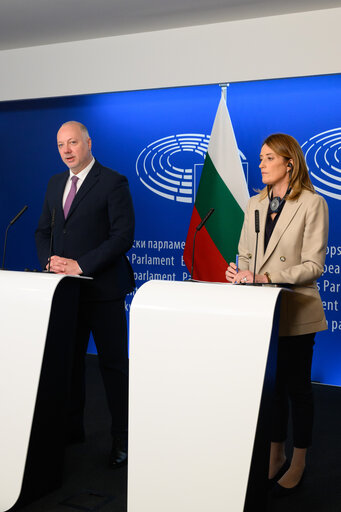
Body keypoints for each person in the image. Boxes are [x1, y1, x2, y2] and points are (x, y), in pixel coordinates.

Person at [225, 133, 328, 496]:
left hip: (296, 311)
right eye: (260, 157)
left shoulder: (313, 203)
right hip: (260, 315)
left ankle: (299, 458)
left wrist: (266, 277)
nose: (261, 163)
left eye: (269, 158)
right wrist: (239, 273)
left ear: (289, 162)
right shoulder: (254, 204)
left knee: (296, 388)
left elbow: (314, 265)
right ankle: (274, 451)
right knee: (270, 390)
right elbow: (246, 255)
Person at [35, 121, 135, 468]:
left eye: (73, 142)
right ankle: (71, 428)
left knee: (112, 366)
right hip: (65, 293)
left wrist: (80, 264)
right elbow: (44, 230)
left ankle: (123, 439)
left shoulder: (113, 182)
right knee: (69, 364)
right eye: (61, 143)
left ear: (88, 143)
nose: (66, 149)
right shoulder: (54, 183)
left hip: (103, 291)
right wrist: (50, 262)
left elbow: (123, 237)